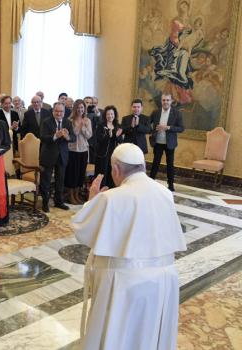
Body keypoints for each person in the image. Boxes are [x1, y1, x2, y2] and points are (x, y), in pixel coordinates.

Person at [71, 143, 186, 350]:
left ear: (115, 169)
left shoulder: (111, 197)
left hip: (124, 283)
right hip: (164, 280)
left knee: (119, 335)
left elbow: (83, 230)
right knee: (149, 335)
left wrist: (91, 201)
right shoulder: (165, 193)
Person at [39, 102, 75, 212]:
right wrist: (55, 136)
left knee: (60, 180)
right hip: (48, 155)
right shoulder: (46, 122)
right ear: (53, 111)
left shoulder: (68, 122)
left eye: (61, 111)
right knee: (46, 180)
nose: (59, 113)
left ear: (64, 112)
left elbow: (74, 138)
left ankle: (59, 202)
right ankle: (45, 203)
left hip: (62, 155)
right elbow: (42, 137)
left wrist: (67, 136)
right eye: (57, 111)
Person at [149, 94, 184, 191]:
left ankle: (171, 184)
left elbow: (181, 128)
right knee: (155, 163)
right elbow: (148, 123)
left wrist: (168, 127)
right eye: (164, 100)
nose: (165, 102)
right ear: (161, 101)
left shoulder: (177, 113)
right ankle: (150, 182)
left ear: (171, 101)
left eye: (168, 100)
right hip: (158, 142)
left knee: (170, 164)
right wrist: (153, 130)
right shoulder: (155, 112)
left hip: (170, 143)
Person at [65, 99, 92, 205]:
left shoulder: (87, 120)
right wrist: (79, 126)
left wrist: (84, 127)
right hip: (72, 150)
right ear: (75, 108)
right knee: (72, 174)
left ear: (84, 109)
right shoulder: (70, 120)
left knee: (80, 174)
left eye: (82, 108)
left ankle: (77, 195)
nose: (80, 110)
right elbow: (73, 134)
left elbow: (89, 135)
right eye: (78, 108)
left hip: (83, 150)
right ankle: (71, 196)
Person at [94, 106, 123, 188]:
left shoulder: (118, 125)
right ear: (105, 115)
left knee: (112, 172)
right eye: (108, 114)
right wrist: (109, 136)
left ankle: (110, 191)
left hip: (113, 153)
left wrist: (116, 136)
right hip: (102, 154)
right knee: (102, 172)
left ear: (114, 115)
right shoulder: (101, 125)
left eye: (112, 114)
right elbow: (99, 139)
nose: (110, 116)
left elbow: (120, 140)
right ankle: (100, 191)